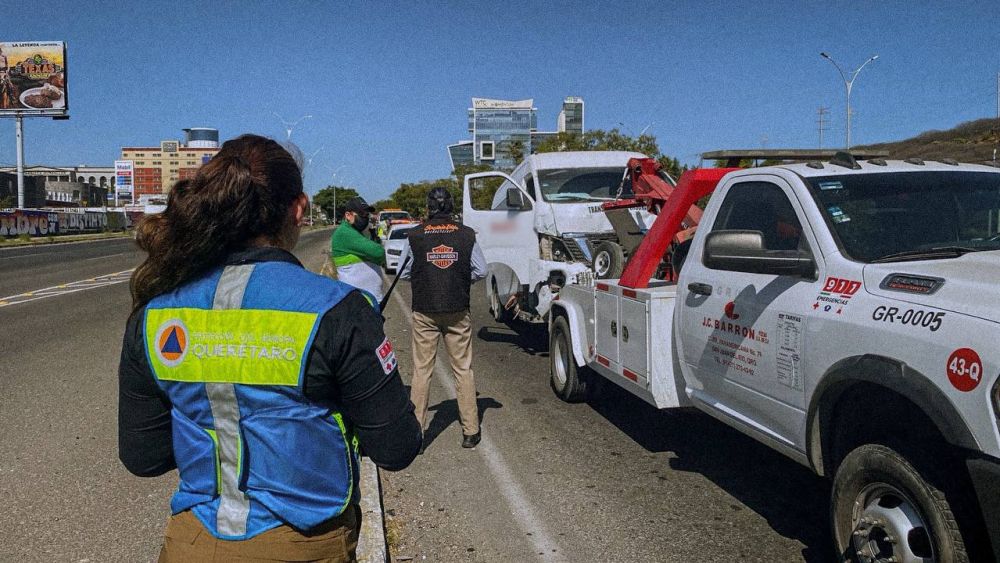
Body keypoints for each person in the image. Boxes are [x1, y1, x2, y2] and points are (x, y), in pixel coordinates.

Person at [118, 134, 421, 562]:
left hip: (191, 543)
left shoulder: (154, 315)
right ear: (298, 209)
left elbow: (144, 457)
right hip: (304, 544)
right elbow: (397, 446)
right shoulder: (338, 310)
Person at [397, 187, 486, 449]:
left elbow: (403, 273)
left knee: (422, 370)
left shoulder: (414, 235)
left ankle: (418, 433)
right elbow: (481, 270)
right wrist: (457, 279)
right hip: (457, 308)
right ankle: (470, 431)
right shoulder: (467, 234)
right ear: (451, 206)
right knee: (463, 369)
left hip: (425, 309)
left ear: (428, 208)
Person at [331, 197, 386, 301]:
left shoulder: (357, 232)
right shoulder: (344, 233)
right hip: (358, 302)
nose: (366, 218)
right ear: (348, 215)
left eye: (367, 215)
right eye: (362, 215)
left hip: (367, 300)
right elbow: (379, 253)